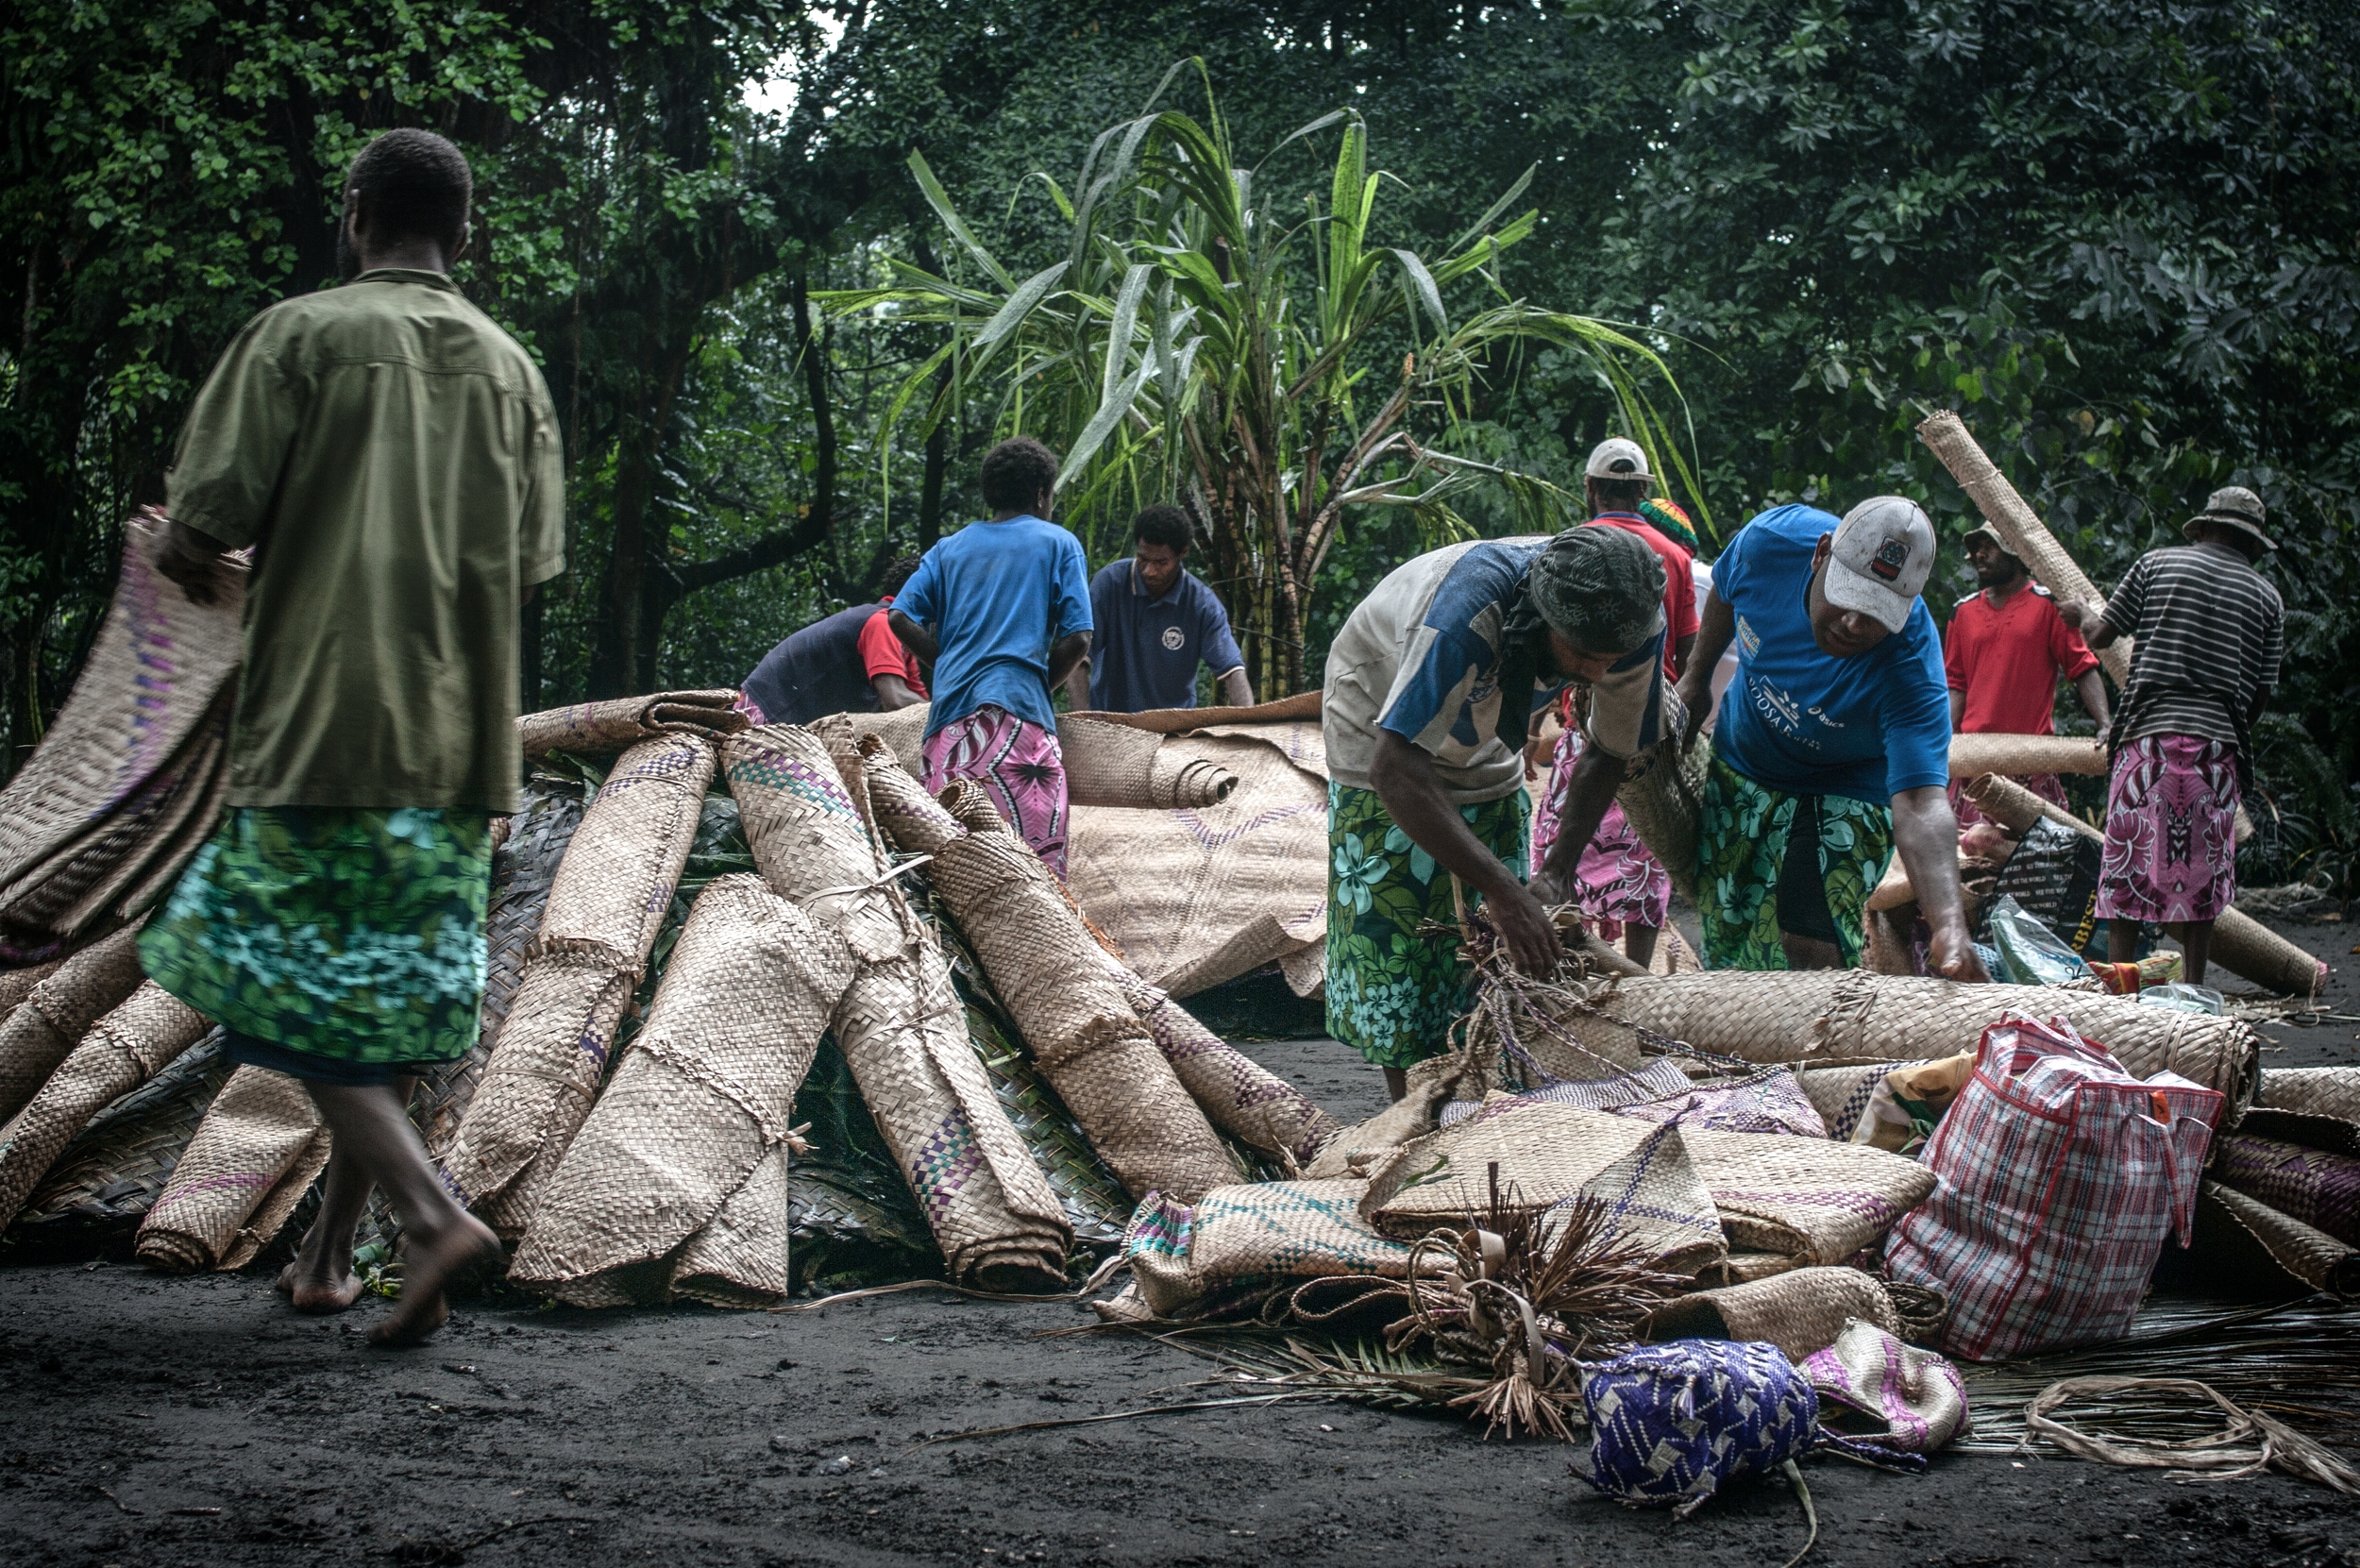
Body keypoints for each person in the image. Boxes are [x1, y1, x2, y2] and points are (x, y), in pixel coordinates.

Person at [138, 129, 560, 1345]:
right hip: (458, 746)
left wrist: (191, 548)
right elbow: (527, 563)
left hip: (323, 729)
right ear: (464, 231)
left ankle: (433, 1218)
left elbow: (203, 519)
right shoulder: (509, 369)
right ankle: (328, 1260)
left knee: (274, 990)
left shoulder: (299, 335)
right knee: (390, 1010)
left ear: (357, 212)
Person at [1324, 525, 1672, 1098]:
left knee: (1500, 939)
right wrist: (1505, 890)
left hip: (1480, 732)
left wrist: (1555, 871)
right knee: (1402, 941)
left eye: (1608, 660)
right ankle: (1413, 1112)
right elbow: (1395, 768)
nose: (1594, 674)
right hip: (1377, 724)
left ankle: (1486, 1091)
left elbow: (1611, 747)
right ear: (1541, 618)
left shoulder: (1632, 623)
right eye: (1583, 655)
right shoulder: (1464, 616)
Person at [1678, 497, 1988, 980]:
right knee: (1731, 927)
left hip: (1849, 784)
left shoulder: (1911, 667)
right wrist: (1695, 678)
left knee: (1808, 930)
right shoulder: (1771, 543)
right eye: (1847, 598)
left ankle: (1815, 1043)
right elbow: (1725, 588)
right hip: (1746, 756)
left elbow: (1921, 801)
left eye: (1876, 614)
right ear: (1821, 554)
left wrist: (1949, 923)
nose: (1853, 625)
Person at [2058, 486, 2283, 986]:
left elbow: (2098, 637)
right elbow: (2260, 698)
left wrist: (2078, 614)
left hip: (2146, 741)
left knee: (2127, 865)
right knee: (2201, 877)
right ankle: (2195, 989)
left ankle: (2121, 987)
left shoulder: (2155, 565)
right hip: (2216, 748)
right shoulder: (2267, 598)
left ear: (2202, 528)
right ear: (2251, 544)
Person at [1527, 439, 1698, 968]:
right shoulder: (1674, 557)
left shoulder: (1574, 547)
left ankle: (1570, 959)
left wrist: (1530, 723)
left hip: (1584, 714)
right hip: (1650, 727)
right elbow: (1689, 656)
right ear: (1642, 490)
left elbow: (1542, 644)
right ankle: (1639, 971)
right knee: (1642, 855)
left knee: (1561, 850)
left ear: (1591, 487)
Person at [889, 437, 1092, 876]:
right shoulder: (1058, 544)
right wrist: (1038, 684)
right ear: (1042, 493)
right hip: (1018, 725)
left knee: (950, 867)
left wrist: (947, 666)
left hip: (947, 730)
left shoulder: (948, 549)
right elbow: (1078, 638)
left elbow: (900, 617)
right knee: (1033, 873)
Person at [1944, 524, 2109, 824]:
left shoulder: (2049, 606)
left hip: (2030, 759)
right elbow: (1956, 684)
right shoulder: (1963, 612)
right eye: (1977, 547)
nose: (1979, 554)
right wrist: (1942, 739)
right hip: (1973, 759)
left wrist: (2105, 726)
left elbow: (2082, 668)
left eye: (1989, 546)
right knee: (1968, 860)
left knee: (2035, 861)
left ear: (2014, 553)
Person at [1064, 504, 1253, 714]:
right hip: (1113, 723)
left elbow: (1233, 672)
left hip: (1175, 729)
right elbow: (1077, 660)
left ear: (1183, 552)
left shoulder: (1202, 605)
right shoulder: (1109, 584)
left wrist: (1247, 729)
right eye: (1143, 559)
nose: (1150, 571)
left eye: (1161, 562)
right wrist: (1085, 720)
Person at [735, 557, 927, 726]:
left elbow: (921, 708)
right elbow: (896, 701)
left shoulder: (903, 642)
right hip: (762, 714)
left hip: (786, 724)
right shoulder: (882, 623)